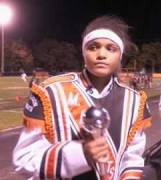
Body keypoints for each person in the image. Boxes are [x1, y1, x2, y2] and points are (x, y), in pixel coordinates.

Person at [13, 15, 151, 179]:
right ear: (84, 52)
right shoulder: (50, 92)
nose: (101, 54)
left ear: (120, 55)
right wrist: (80, 155)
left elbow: (132, 157)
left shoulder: (134, 101)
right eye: (93, 47)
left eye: (110, 48)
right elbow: (23, 158)